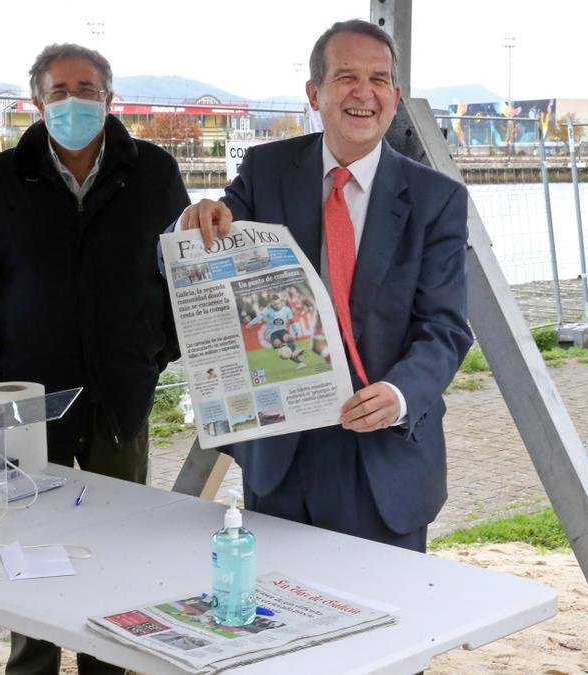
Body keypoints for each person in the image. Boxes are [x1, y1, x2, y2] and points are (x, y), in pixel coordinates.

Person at [0, 43, 189, 675]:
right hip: (23, 406)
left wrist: (154, 353)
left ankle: (110, 664)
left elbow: (184, 281)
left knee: (116, 549)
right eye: (58, 91)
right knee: (27, 552)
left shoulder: (153, 173)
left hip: (119, 400)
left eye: (87, 89)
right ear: (38, 101)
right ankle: (31, 666)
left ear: (109, 98)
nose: (73, 101)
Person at [175, 19, 472, 553]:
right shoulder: (267, 171)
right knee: (281, 612)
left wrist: (401, 395)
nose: (364, 93)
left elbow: (445, 328)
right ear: (315, 92)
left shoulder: (437, 199)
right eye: (346, 76)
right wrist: (194, 224)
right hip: (282, 458)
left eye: (379, 79)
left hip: (383, 455)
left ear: (395, 96)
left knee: (386, 623)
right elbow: (213, 245)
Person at [246, 294, 306, 368]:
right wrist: (251, 323)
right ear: (271, 303)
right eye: (275, 304)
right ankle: (298, 360)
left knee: (287, 338)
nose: (277, 305)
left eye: (278, 303)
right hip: (273, 333)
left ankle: (295, 353)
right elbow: (260, 317)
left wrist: (296, 330)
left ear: (281, 302)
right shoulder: (267, 309)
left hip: (282, 330)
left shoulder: (286, 309)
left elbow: (292, 321)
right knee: (283, 349)